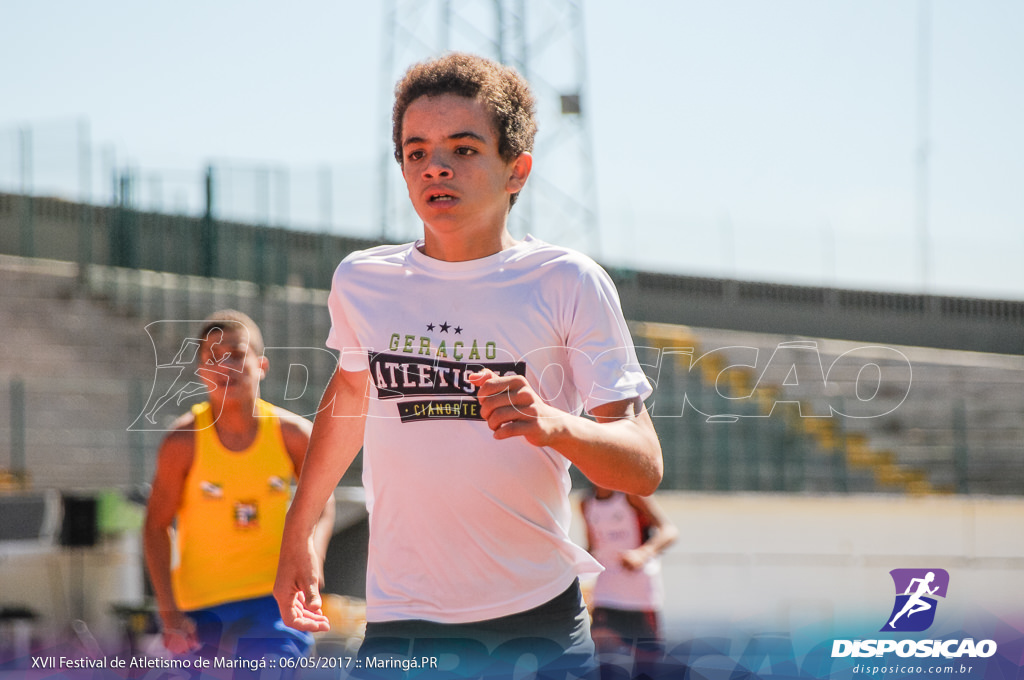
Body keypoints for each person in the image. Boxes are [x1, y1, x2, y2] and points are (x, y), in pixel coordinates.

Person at [274, 52, 663, 678]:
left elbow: (643, 463)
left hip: (536, 623)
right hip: (402, 623)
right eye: (416, 151)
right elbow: (350, 400)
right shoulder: (361, 281)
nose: (436, 167)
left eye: (463, 148)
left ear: (517, 170)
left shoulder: (568, 282)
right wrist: (298, 532)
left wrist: (552, 424)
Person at [143, 310, 334, 670]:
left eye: (235, 353)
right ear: (201, 371)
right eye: (212, 357)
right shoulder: (182, 443)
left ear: (261, 364)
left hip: (274, 600)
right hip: (201, 608)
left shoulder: (293, 435)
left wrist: (313, 554)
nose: (224, 365)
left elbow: (323, 504)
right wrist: (169, 613)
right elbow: (155, 526)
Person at [580, 485, 677, 678]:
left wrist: (643, 553)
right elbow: (592, 548)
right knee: (607, 667)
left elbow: (669, 531)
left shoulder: (632, 495)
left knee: (646, 669)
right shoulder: (586, 503)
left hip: (640, 598)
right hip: (605, 596)